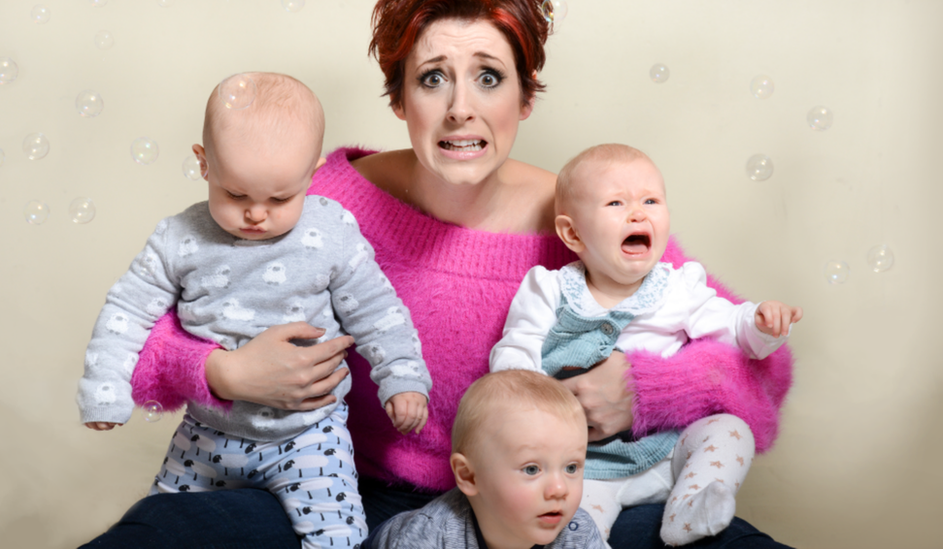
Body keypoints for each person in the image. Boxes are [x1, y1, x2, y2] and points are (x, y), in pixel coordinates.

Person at [81, 1, 794, 547]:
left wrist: (645, 388)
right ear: (398, 99)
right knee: (158, 536)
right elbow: (140, 340)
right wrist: (221, 373)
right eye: (432, 79)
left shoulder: (584, 215)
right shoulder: (322, 204)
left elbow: (764, 364)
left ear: (525, 98)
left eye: (489, 77)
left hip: (546, 506)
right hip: (338, 498)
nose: (461, 108)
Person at [76, 73, 431, 549]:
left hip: (308, 437)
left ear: (313, 173)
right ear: (204, 165)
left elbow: (376, 310)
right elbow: (127, 311)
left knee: (340, 539)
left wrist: (403, 378)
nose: (256, 214)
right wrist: (105, 387)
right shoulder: (179, 238)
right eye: (236, 194)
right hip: (207, 435)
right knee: (157, 525)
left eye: (280, 198)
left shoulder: (330, 232)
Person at [489, 144, 803, 546]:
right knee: (573, 533)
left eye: (651, 200)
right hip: (585, 470)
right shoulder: (548, 289)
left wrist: (761, 322)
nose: (638, 213)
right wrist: (526, 413)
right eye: (616, 202)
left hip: (666, 455)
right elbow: (517, 352)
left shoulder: (678, 286)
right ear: (572, 232)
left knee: (730, 429)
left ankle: (687, 509)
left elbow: (732, 329)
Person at [362, 369, 608, 549]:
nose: (559, 489)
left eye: (571, 467)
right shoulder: (431, 536)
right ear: (469, 476)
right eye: (532, 469)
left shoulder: (577, 533)